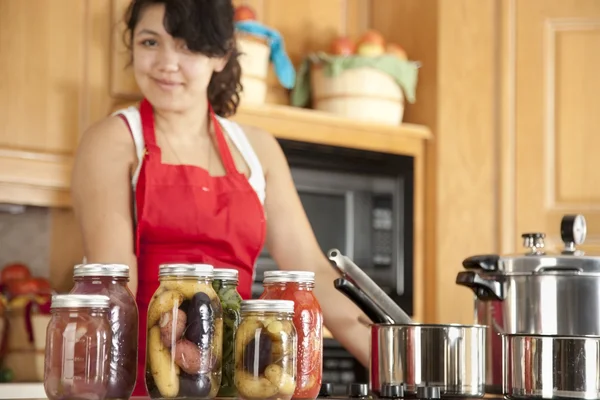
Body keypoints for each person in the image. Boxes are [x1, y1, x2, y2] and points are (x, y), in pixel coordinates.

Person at [71, 0, 370, 395]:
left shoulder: (258, 151)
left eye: (187, 46)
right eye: (149, 42)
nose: (166, 62)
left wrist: (395, 362)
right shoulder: (113, 140)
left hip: (235, 381)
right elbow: (115, 292)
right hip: (145, 384)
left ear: (221, 54)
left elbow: (311, 270)